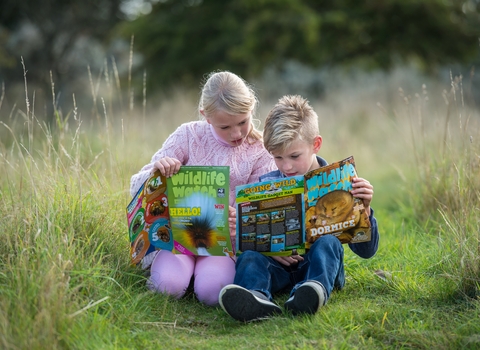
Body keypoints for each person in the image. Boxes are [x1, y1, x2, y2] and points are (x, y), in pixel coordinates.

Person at [219, 95, 379, 321]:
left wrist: (366, 209)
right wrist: (253, 237)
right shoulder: (266, 185)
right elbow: (251, 242)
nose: (286, 166)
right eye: (277, 157)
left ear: (316, 144)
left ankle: (313, 290)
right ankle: (255, 296)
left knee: (328, 242)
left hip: (317, 266)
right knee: (250, 255)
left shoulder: (343, 183)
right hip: (278, 270)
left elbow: (367, 252)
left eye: (294, 156)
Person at [129, 71, 276, 306]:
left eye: (243, 122)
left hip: (224, 244)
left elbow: (262, 204)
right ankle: (180, 277)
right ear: (206, 117)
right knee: (167, 287)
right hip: (178, 240)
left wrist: (237, 217)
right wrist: (159, 170)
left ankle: (199, 281)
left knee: (212, 292)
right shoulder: (188, 135)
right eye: (225, 126)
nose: (236, 133)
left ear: (252, 109)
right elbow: (140, 186)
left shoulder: (258, 149)